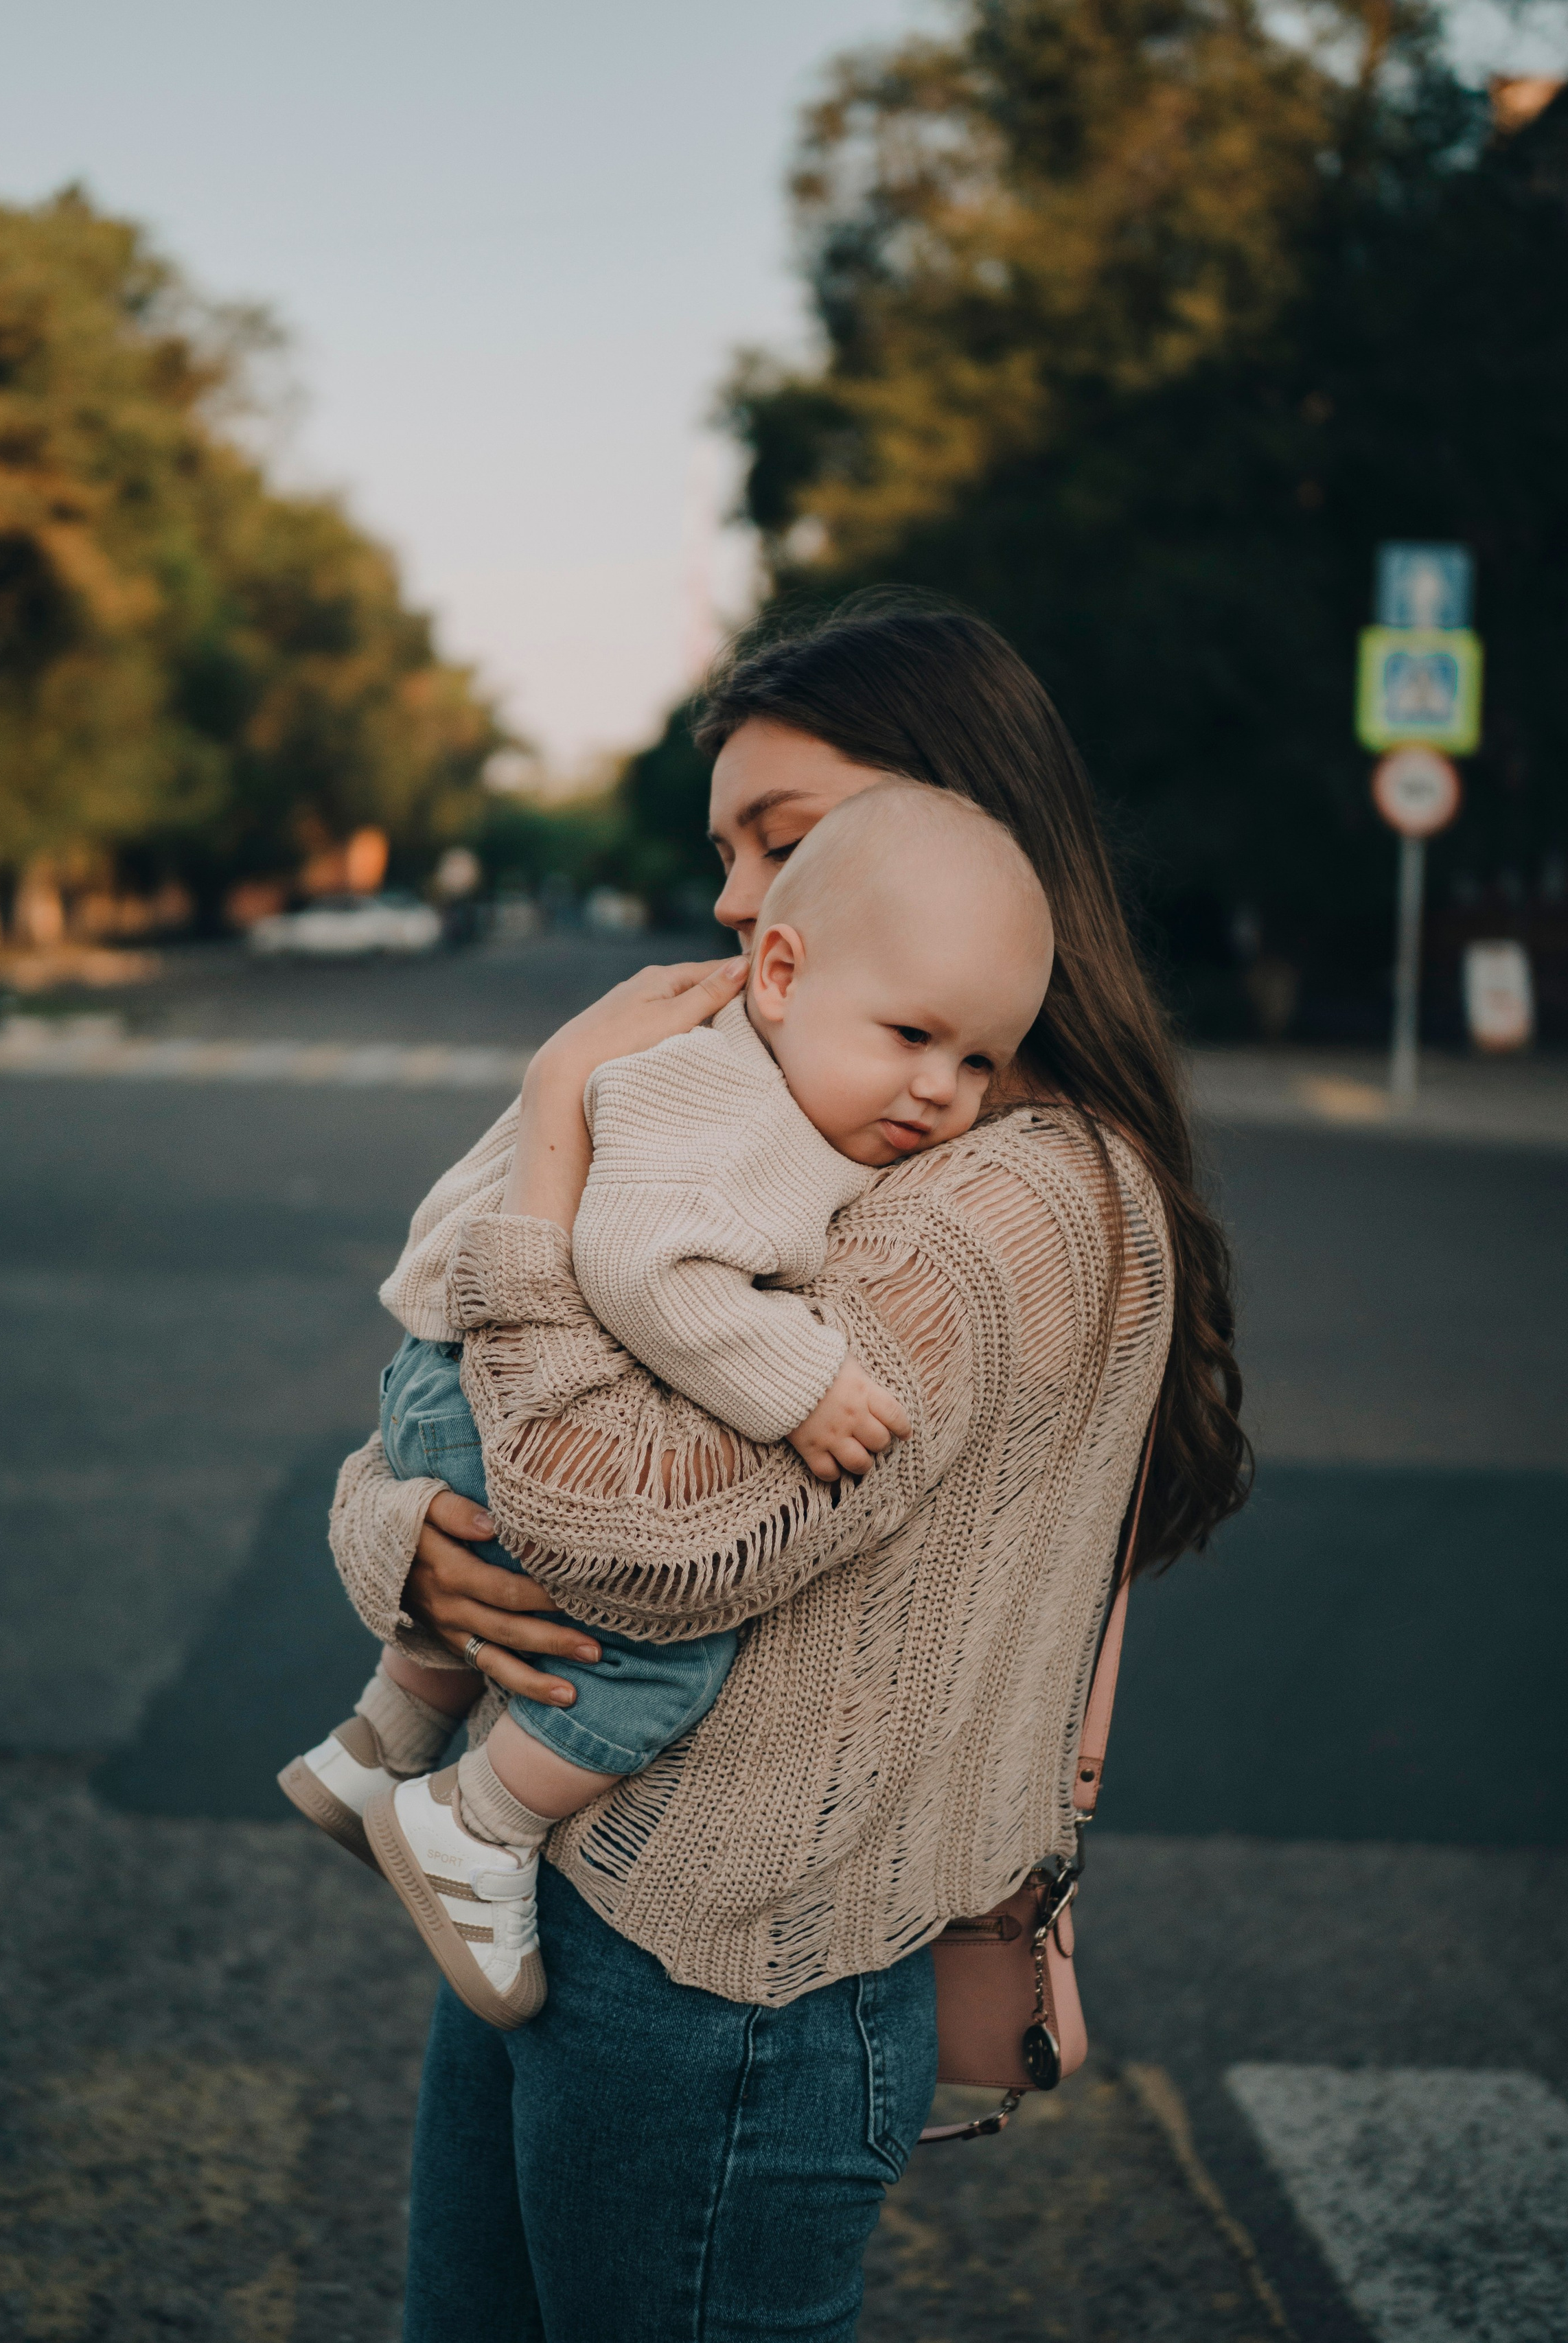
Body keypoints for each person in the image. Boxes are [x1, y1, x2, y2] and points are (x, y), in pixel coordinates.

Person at [326, 602, 1251, 2343]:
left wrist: (551, 1125)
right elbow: (454, 1407)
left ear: (963, 823)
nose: (740, 900)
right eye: (727, 850)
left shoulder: (1008, 1200)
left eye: (784, 835)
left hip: (727, 1984)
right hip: (565, 1901)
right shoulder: (806, 1132)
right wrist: (399, 1540)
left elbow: (637, 1541)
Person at [280, 781, 1054, 2028]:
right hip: (484, 1387)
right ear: (791, 978)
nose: (940, 1091)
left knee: (520, 1595)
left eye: (978, 1061)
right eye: (912, 1036)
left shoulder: (787, 1077)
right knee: (657, 1646)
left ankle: (375, 1750)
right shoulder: (738, 1103)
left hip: (442, 1371)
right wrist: (799, 1384)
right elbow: (647, 1263)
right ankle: (477, 1820)